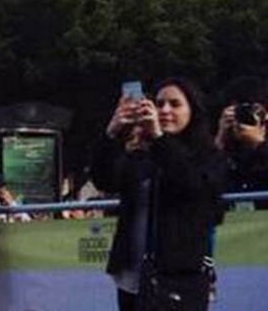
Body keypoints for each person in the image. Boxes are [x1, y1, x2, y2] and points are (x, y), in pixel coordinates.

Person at [91, 78, 226, 311]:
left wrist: (159, 138)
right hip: (134, 278)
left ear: (192, 110)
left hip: (180, 279)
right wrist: (111, 133)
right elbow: (104, 178)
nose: (165, 111)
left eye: (175, 104)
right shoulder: (143, 153)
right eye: (160, 103)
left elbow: (193, 188)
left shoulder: (209, 156)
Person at [215, 76, 268, 208]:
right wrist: (220, 137)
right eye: (238, 111)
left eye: (248, 110)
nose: (243, 117)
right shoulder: (226, 149)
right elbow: (202, 180)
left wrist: (260, 144)